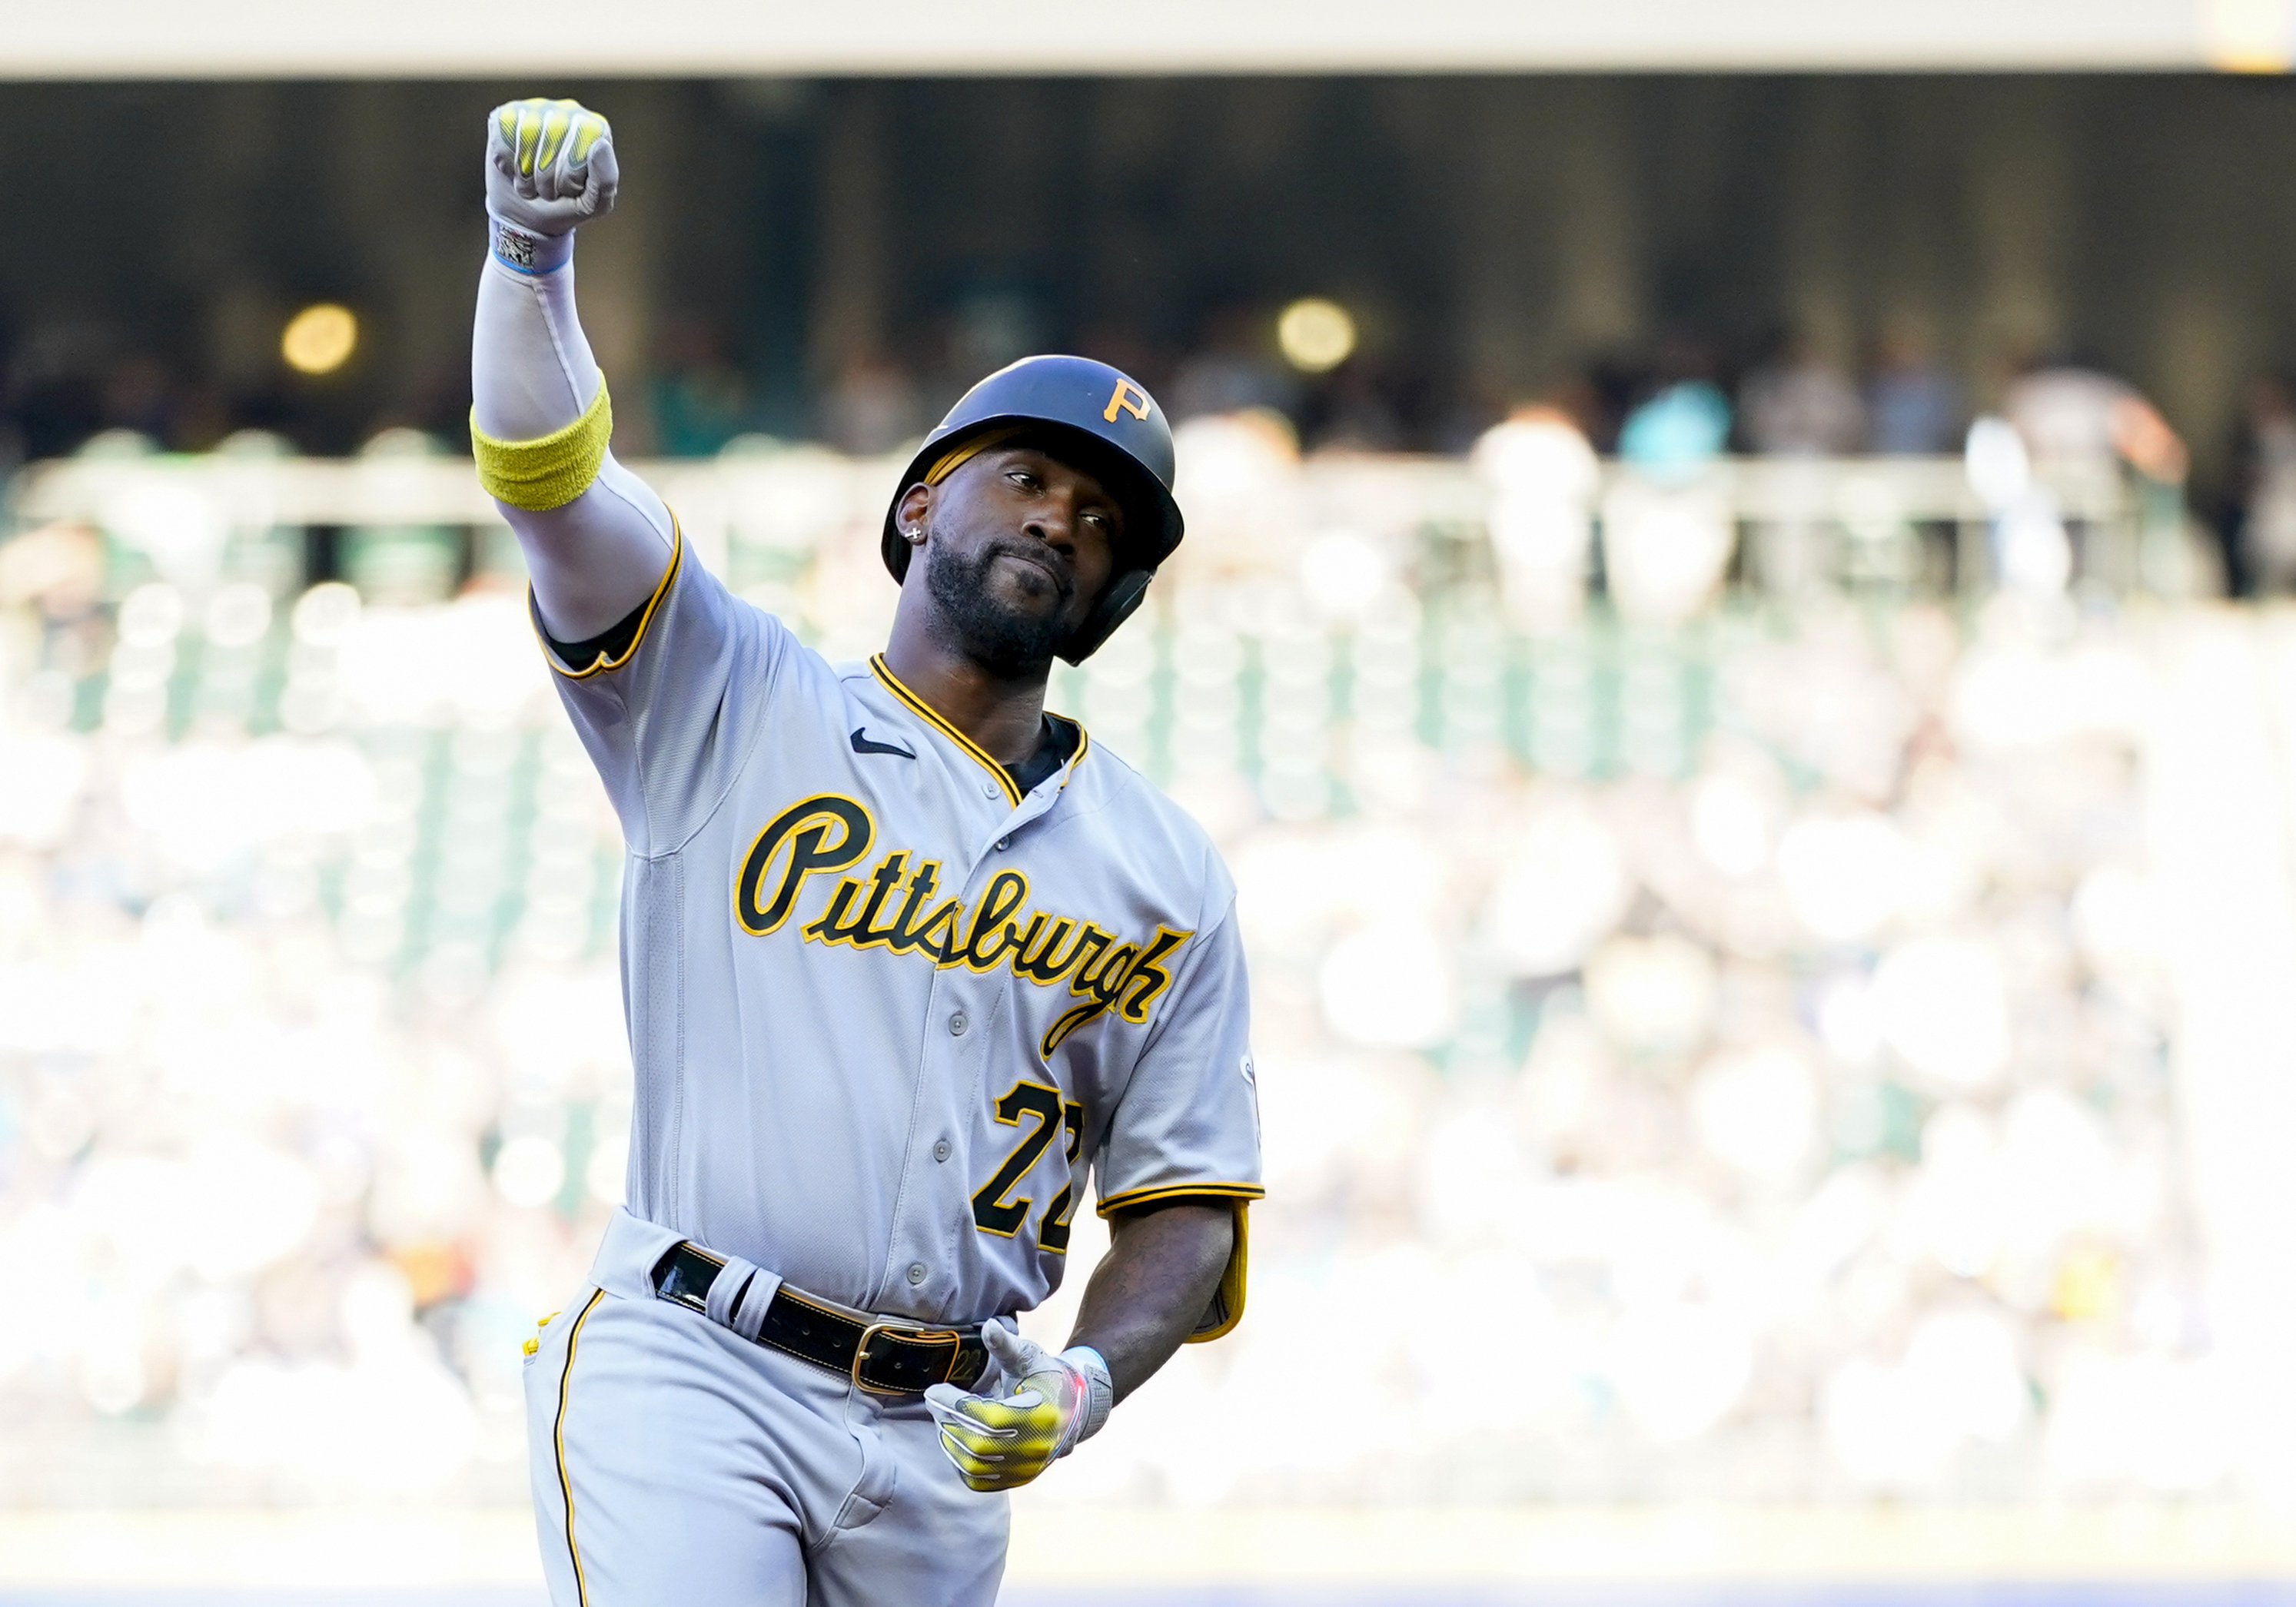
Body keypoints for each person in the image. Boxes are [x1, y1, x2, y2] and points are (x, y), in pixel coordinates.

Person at [471, 100, 1261, 1607]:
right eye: (1028, 475)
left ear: (1113, 602)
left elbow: (1191, 1209)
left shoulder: (1167, 867)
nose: (1064, 515)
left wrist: (1090, 1374)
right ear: (919, 503)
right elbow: (551, 482)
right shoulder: (726, 696)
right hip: (699, 1368)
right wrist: (530, 258)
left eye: (1103, 516)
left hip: (945, 1446)